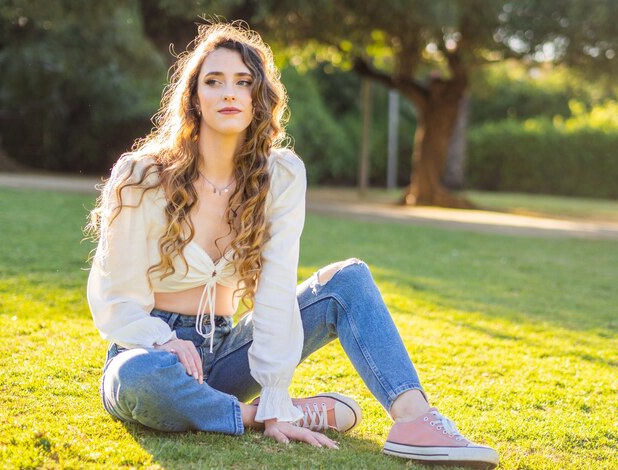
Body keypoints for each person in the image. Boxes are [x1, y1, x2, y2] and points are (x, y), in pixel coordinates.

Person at [86, 21, 499, 467]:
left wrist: (275, 387)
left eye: (243, 82)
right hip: (151, 354)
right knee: (136, 379)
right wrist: (161, 340)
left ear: (258, 97)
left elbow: (276, 289)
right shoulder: (142, 176)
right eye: (214, 81)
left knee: (349, 279)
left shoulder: (280, 175)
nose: (229, 93)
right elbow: (115, 295)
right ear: (193, 98)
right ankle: (258, 416)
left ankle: (415, 421)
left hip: (225, 356)